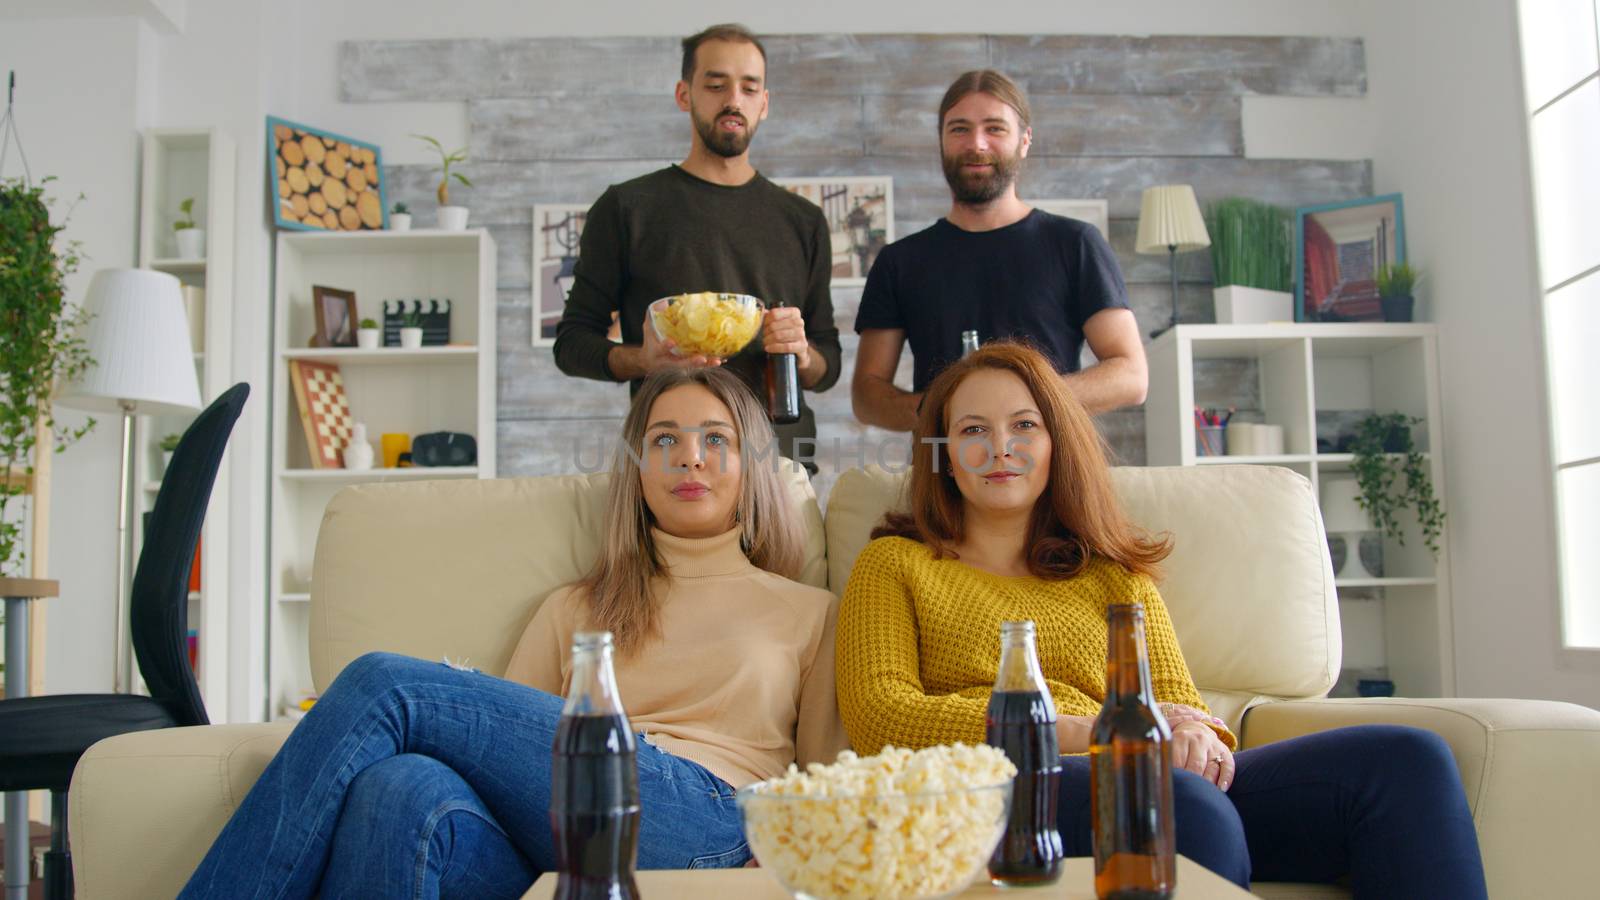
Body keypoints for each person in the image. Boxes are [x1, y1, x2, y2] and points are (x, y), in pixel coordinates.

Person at [835, 341, 1488, 898]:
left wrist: (1199, 738)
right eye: (973, 430)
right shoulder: (894, 563)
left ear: (1057, 441)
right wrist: (1089, 733)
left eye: (1024, 426)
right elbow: (882, 718)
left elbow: (1181, 706)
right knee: (1176, 802)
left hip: (1152, 780)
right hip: (1002, 792)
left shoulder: (1112, 574)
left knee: (1405, 761)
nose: (1000, 447)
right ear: (945, 454)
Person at [179, 367, 846, 899]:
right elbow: (503, 760)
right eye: (665, 440)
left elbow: (829, 782)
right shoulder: (573, 607)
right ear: (638, 469)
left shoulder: (809, 611)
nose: (688, 459)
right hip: (554, 842)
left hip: (707, 826)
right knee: (402, 788)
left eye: (715, 440)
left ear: (751, 463)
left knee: (385, 684)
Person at [554, 23, 841, 470]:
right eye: (715, 84)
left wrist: (803, 352)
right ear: (684, 95)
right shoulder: (626, 208)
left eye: (749, 88)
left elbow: (829, 366)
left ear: (764, 104)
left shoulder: (803, 221)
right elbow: (571, 343)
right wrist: (643, 360)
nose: (733, 100)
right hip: (676, 463)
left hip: (780, 460)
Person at [852, 70, 1148, 432]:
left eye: (995, 128)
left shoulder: (1076, 243)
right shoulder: (899, 261)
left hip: (1054, 476)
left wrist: (1022, 403)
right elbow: (867, 397)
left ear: (1025, 140)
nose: (977, 144)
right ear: (942, 141)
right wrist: (949, 410)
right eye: (959, 129)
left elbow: (1131, 376)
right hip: (944, 477)